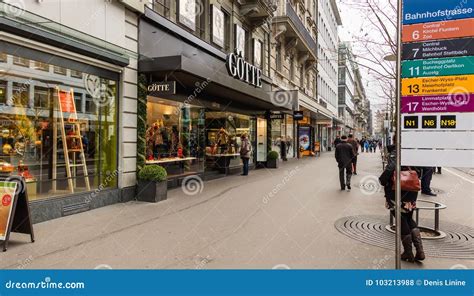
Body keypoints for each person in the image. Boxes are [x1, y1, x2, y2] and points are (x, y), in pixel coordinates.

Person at [379, 136, 425, 262]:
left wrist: (382, 180)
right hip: (411, 192)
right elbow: (420, 172)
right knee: (409, 219)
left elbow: (390, 169)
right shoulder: (412, 153)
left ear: (395, 141)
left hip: (397, 193)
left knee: (401, 220)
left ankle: (408, 253)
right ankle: (420, 251)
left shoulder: (396, 153)